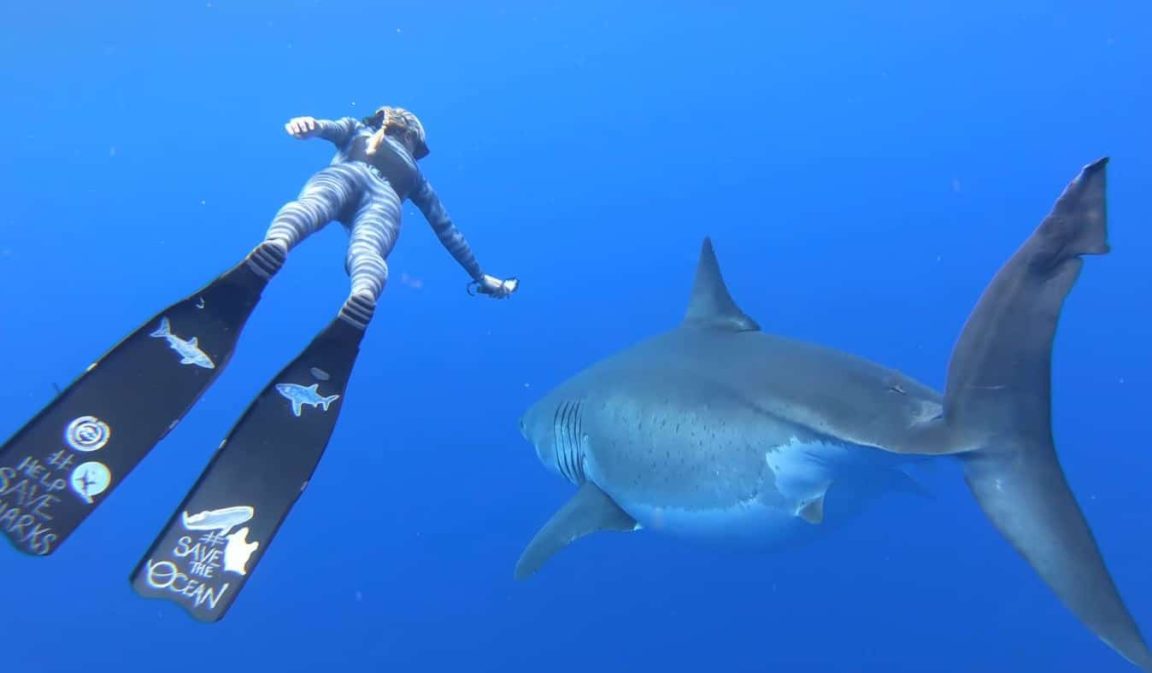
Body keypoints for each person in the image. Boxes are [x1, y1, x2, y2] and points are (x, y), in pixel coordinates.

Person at [0, 104, 518, 623]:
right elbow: (443, 226)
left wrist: (482, 273)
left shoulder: (373, 142)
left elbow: (436, 219)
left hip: (354, 181)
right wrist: (482, 276)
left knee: (313, 212)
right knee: (357, 243)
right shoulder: (387, 154)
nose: (400, 124)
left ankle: (283, 253)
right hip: (376, 195)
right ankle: (343, 286)